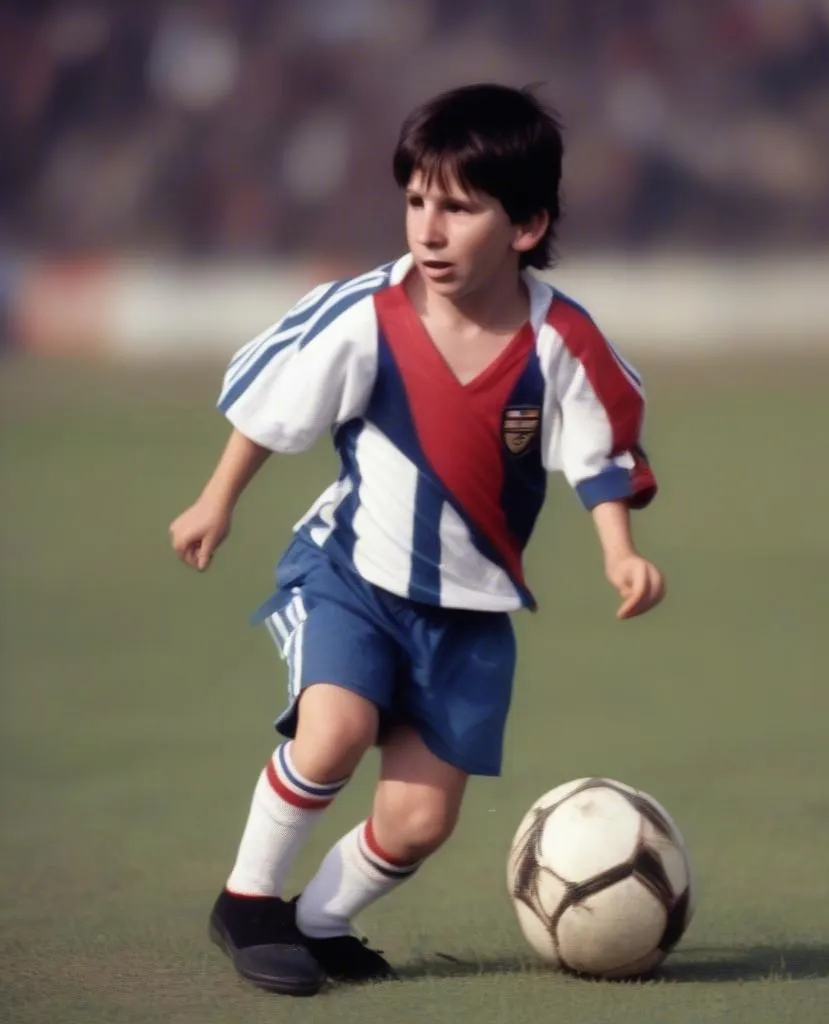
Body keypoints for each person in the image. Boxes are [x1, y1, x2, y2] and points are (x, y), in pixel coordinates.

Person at [169, 82, 666, 996]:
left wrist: (618, 549)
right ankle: (248, 901)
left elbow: (598, 451)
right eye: (415, 202)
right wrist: (216, 501)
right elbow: (277, 409)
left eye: (459, 208)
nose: (428, 230)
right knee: (333, 734)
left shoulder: (560, 341)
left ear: (526, 226)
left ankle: (316, 922)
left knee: (418, 821)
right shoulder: (368, 316)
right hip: (353, 576)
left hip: (470, 614)